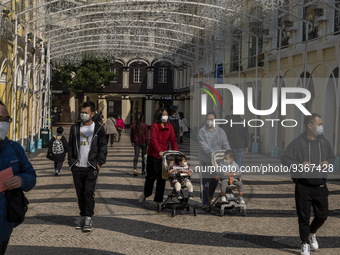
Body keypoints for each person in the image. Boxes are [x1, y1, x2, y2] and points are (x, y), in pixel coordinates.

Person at [281, 113, 335, 255]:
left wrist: (328, 162)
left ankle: (312, 232)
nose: (321, 127)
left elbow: (332, 157)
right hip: (303, 186)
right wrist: (299, 165)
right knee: (303, 217)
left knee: (323, 215)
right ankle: (304, 242)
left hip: (321, 184)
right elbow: (286, 159)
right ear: (310, 126)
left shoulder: (324, 142)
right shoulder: (298, 143)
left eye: (321, 124)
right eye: (319, 124)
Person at [0, 100, 36, 254]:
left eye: (6, 119)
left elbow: (31, 175)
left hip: (4, 222)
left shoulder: (14, 148)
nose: (3, 124)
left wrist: (22, 180)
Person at [68, 101, 107, 232]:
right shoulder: (75, 128)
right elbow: (70, 146)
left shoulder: (99, 129)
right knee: (80, 194)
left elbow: (103, 147)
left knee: (88, 192)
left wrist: (99, 162)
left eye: (86, 112)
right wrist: (71, 162)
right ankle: (82, 216)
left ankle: (88, 218)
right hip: (77, 166)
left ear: (92, 113)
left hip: (91, 166)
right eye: (82, 112)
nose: (83, 115)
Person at [139, 109, 178, 205]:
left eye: (166, 114)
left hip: (164, 158)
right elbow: (153, 140)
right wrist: (159, 151)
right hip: (153, 155)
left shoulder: (170, 126)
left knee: (162, 179)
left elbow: (173, 140)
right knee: (150, 178)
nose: (165, 116)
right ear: (159, 116)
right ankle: (146, 193)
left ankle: (158, 200)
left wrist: (175, 152)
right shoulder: (154, 126)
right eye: (163, 114)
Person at [198, 111, 230, 209]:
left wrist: (229, 154)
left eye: (212, 119)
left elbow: (225, 144)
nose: (210, 121)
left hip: (218, 162)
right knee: (206, 182)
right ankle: (205, 202)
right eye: (208, 119)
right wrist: (214, 154)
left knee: (215, 181)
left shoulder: (221, 131)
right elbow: (204, 146)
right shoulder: (202, 131)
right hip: (206, 160)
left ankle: (210, 196)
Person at [130, 112, 149, 176]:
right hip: (143, 143)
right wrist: (148, 143)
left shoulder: (133, 125)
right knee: (144, 157)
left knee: (136, 156)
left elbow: (131, 134)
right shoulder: (145, 125)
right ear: (142, 118)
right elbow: (146, 135)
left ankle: (135, 169)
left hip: (136, 142)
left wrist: (132, 141)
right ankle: (143, 170)